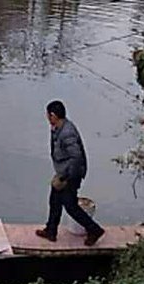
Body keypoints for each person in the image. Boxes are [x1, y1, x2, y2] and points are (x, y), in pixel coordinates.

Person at [36, 101, 105, 246]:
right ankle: (51, 231)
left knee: (70, 205)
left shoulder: (67, 133)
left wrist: (65, 177)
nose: (47, 117)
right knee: (55, 200)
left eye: (48, 115)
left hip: (72, 174)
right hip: (64, 171)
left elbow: (76, 157)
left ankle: (94, 230)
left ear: (53, 115)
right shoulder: (57, 128)